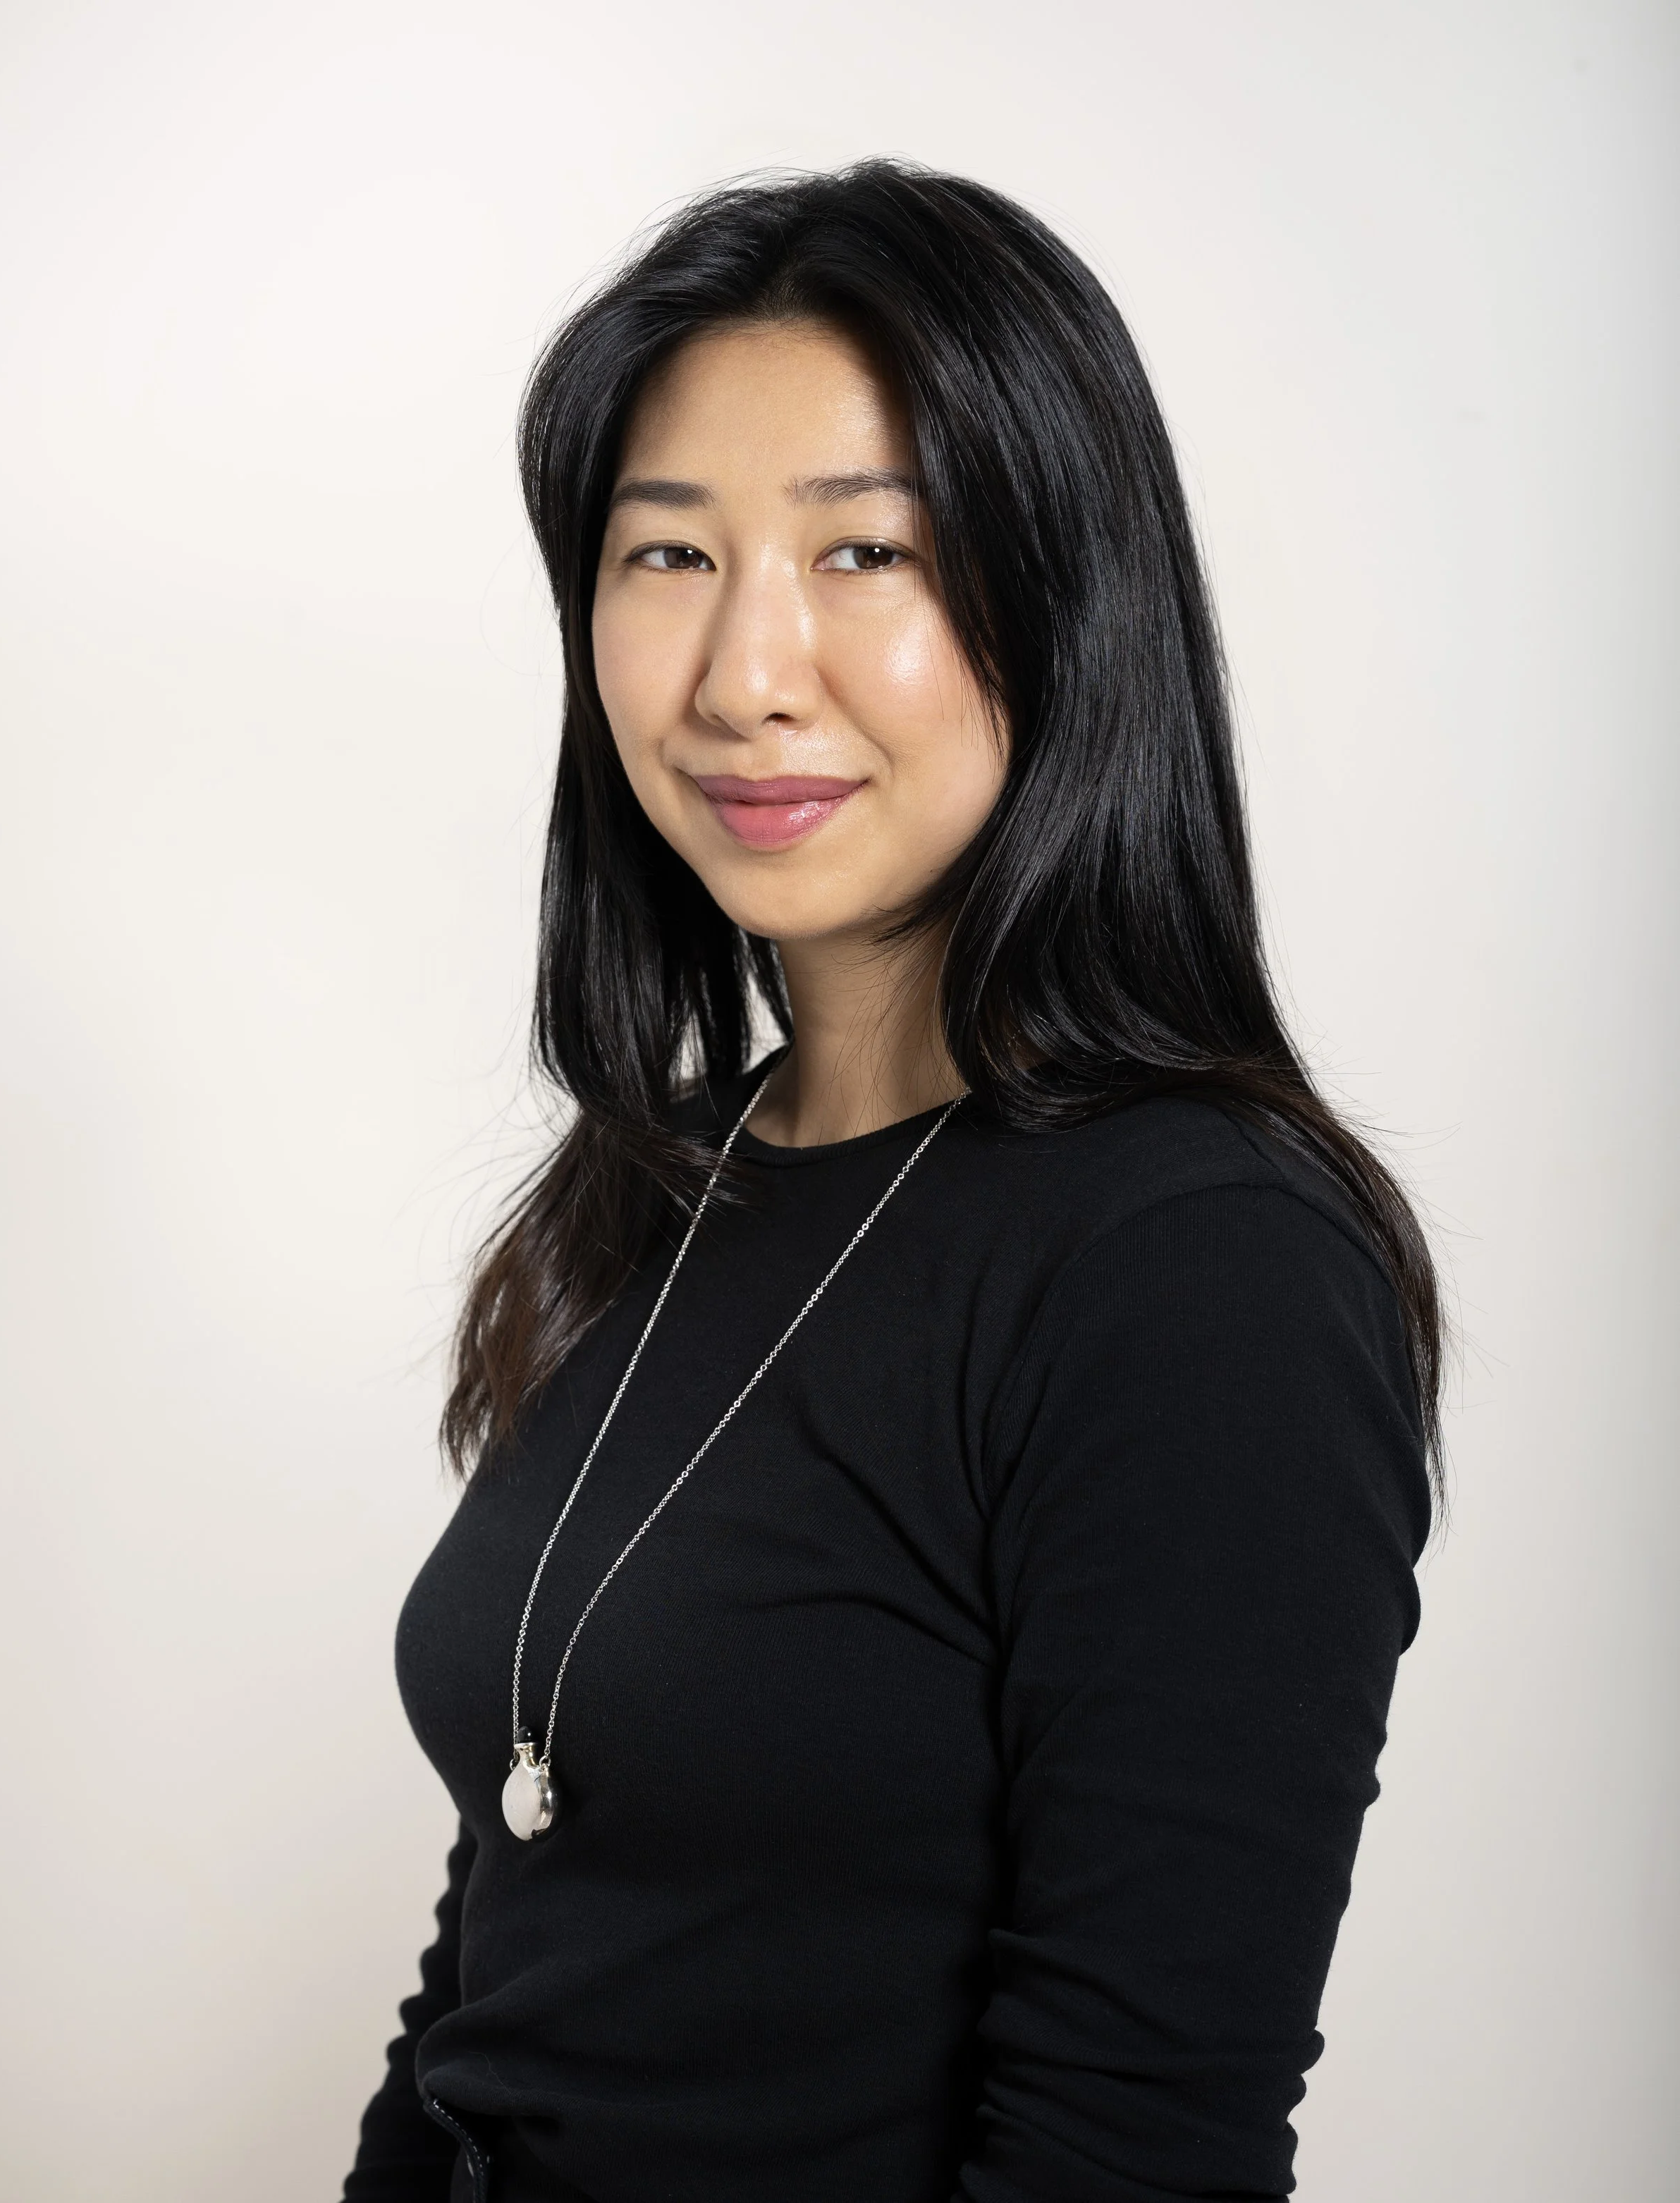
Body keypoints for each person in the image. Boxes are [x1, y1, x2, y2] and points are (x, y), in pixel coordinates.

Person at [342, 161, 1440, 2203]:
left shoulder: (1199, 1266)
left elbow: (1132, 2152)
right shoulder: (657, 1196)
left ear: (1064, 589)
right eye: (666, 555)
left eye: (867, 552)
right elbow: (502, 1983)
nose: (746, 673)